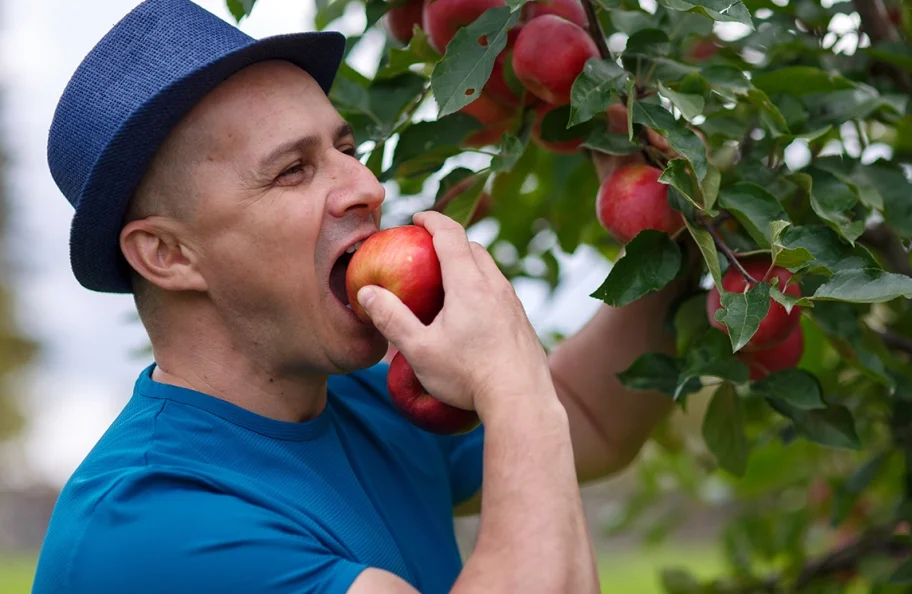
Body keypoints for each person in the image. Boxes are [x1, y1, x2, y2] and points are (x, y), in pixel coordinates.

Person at [32, 0, 687, 592]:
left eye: (347, 148)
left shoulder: (367, 407)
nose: (367, 186)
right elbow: (541, 421)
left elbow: (587, 420)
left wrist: (675, 225)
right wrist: (512, 386)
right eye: (293, 170)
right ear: (168, 255)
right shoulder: (156, 528)